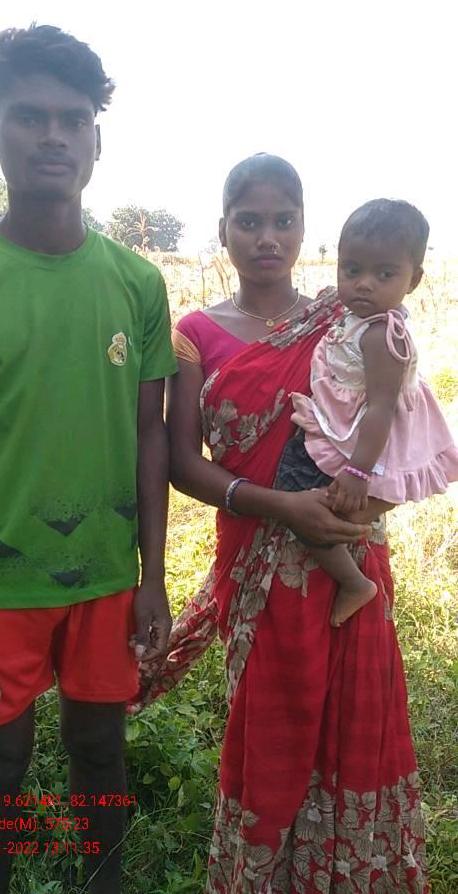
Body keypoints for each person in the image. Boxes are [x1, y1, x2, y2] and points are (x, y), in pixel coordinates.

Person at [0, 24, 177, 894]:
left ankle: (103, 883)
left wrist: (152, 575)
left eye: (73, 120)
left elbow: (150, 433)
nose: (53, 136)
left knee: (100, 749)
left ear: (97, 142)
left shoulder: (136, 284)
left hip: (106, 576)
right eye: (30, 117)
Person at [131, 154, 430, 892]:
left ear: (303, 230)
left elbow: (398, 416)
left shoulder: (345, 317)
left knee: (351, 727)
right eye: (249, 221)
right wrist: (282, 506)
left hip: (347, 555)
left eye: (283, 221)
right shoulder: (194, 334)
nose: (267, 237)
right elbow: (182, 463)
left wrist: (361, 504)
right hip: (258, 567)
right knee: (272, 729)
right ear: (222, 231)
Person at [276, 198, 458, 627]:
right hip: (350, 426)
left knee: (297, 491)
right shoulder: (354, 318)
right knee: (315, 500)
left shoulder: (380, 334)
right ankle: (365, 513)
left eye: (385, 274)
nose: (364, 284)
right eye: (352, 269)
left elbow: (381, 408)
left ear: (414, 280)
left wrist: (358, 471)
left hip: (364, 437)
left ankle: (355, 581)